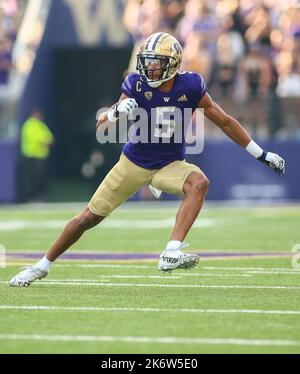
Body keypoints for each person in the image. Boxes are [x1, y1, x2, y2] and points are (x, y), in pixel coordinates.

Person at [10, 33, 285, 287]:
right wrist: (117, 110)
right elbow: (101, 126)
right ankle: (41, 265)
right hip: (134, 163)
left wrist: (260, 153)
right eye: (148, 62)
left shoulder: (190, 85)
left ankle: (172, 251)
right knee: (87, 218)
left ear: (173, 64)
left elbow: (225, 122)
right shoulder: (135, 84)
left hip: (170, 165)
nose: (150, 68)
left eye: (156, 63)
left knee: (199, 183)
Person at [18, 109, 54, 202]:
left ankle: (38, 197)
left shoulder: (41, 125)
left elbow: (50, 138)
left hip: (41, 157)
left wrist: (47, 141)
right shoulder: (29, 124)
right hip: (31, 156)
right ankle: (29, 198)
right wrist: (44, 141)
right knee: (30, 179)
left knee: (39, 179)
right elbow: (37, 139)